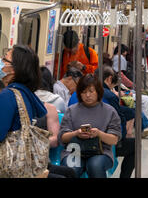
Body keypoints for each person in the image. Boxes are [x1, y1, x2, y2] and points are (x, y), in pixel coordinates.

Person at [59, 74, 122, 178]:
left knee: (95, 165)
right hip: (74, 151)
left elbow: (114, 140)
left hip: (101, 152)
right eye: (84, 92)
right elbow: (63, 138)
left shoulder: (109, 111)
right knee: (71, 169)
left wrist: (98, 134)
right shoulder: (71, 110)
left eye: (91, 91)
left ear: (98, 92)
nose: (87, 95)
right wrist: (76, 134)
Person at [0, 45, 49, 177]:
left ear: (15, 69)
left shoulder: (8, 95)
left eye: (5, 59)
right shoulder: (25, 93)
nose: (1, 61)